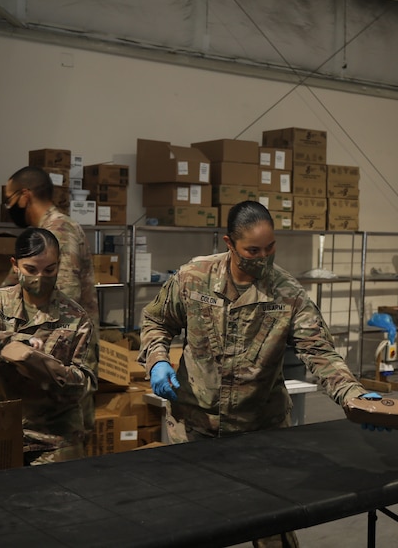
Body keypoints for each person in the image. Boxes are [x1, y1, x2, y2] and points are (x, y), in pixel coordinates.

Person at [139, 201, 381, 548]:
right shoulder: (194, 278)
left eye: (270, 248)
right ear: (229, 243)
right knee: (192, 519)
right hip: (193, 423)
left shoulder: (287, 293)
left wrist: (352, 394)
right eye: (252, 250)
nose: (262, 258)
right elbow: (157, 320)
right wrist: (158, 359)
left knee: (270, 520)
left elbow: (320, 353)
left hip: (259, 426)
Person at [0, 227, 99, 465]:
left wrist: (51, 371)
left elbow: (87, 381)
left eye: (49, 270)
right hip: (2, 428)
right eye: (31, 269)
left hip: (56, 437)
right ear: (15, 265)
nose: (40, 277)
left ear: (59, 265)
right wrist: (8, 345)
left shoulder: (76, 318)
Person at [1, 165, 99, 325]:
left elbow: (65, 296)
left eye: (9, 200)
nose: (9, 207)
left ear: (25, 196)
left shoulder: (58, 231)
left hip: (61, 343)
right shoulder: (44, 232)